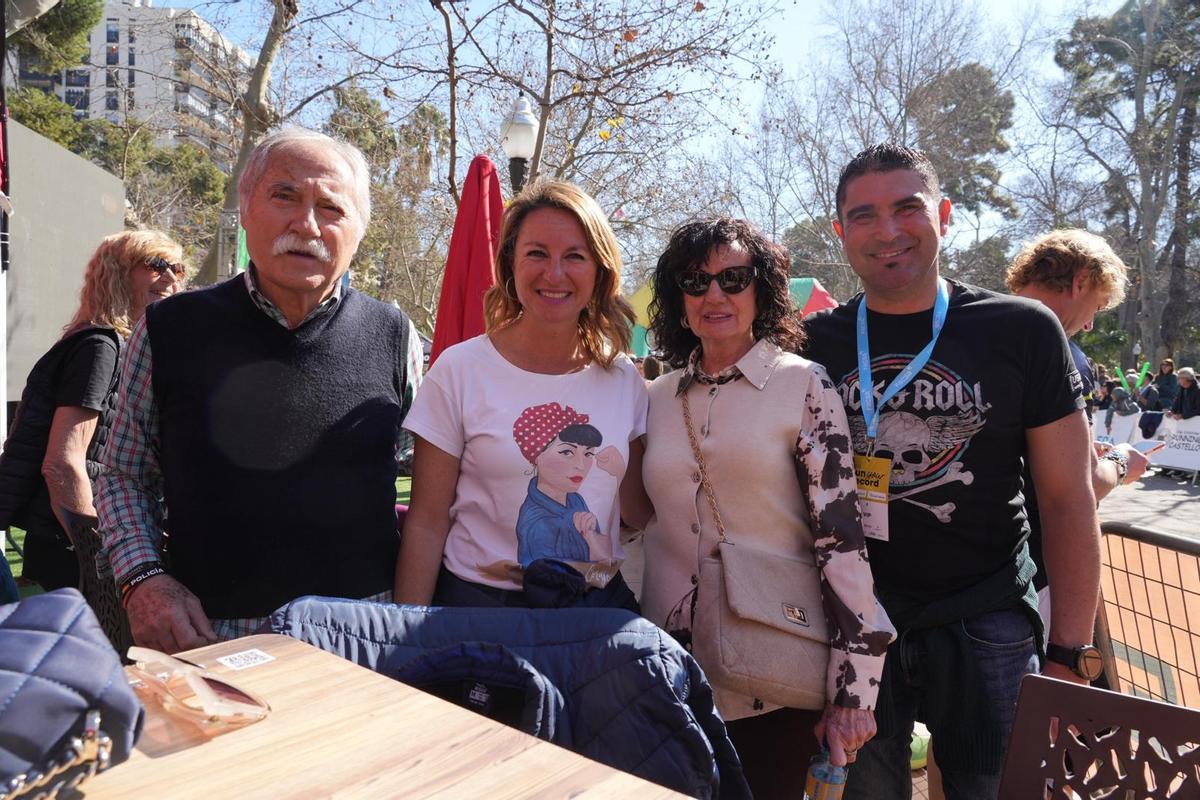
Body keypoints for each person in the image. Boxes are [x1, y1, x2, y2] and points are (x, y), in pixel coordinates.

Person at [803, 143, 1102, 800]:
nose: (887, 231)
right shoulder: (814, 344)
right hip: (856, 628)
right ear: (841, 232)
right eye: (864, 215)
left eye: (907, 208)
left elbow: (1067, 499)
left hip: (985, 617)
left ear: (943, 213)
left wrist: (1070, 656)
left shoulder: (1020, 330)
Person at [97, 128, 414, 653]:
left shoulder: (395, 336)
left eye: (332, 207)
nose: (306, 224)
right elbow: (122, 477)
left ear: (360, 230)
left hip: (364, 643)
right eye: (284, 195)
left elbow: (423, 485)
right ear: (245, 209)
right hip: (211, 640)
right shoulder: (168, 329)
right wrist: (143, 579)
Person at [637, 217, 894, 799]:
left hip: (769, 671)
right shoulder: (653, 398)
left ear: (763, 289)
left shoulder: (804, 386)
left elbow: (842, 544)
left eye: (734, 278)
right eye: (695, 281)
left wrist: (854, 694)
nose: (715, 295)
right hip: (666, 668)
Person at [394, 181, 646, 611]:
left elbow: (639, 514)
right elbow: (426, 524)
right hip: (481, 612)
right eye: (537, 253)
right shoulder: (458, 371)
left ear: (600, 270)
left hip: (595, 616)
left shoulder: (624, 379)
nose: (554, 273)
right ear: (510, 263)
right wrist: (405, 637)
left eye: (575, 256)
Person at [0, 231, 185, 593]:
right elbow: (63, 463)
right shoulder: (101, 347)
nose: (171, 277)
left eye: (177, 267)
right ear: (117, 274)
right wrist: (100, 552)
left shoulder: (123, 347)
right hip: (71, 552)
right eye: (156, 264)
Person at [1004, 229, 1148, 632]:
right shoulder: (1059, 349)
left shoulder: (975, 329)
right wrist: (1121, 461)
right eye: (1097, 306)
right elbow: (1086, 484)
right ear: (1081, 279)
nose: (1088, 325)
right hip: (1029, 569)